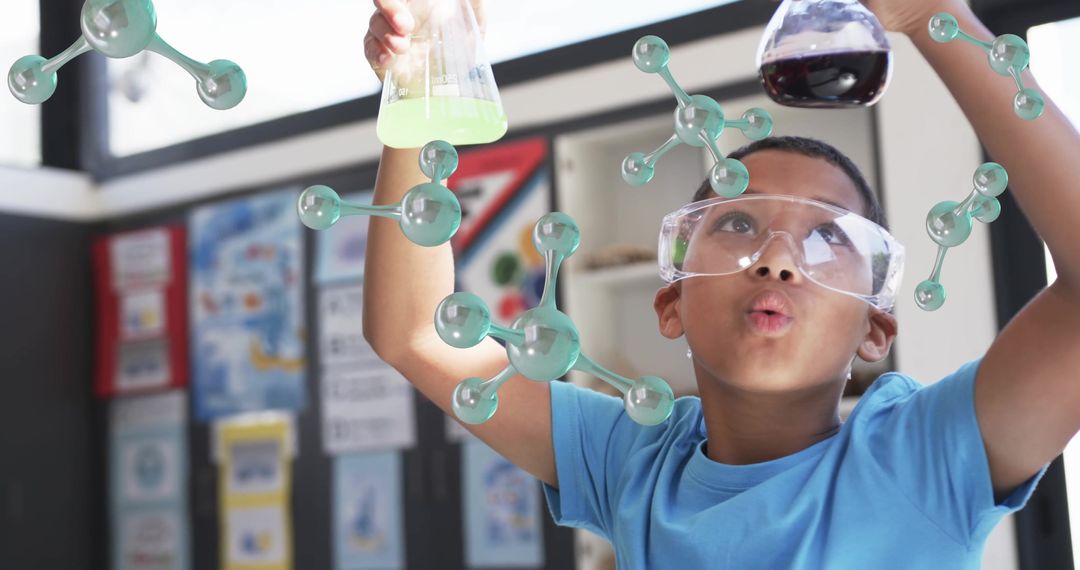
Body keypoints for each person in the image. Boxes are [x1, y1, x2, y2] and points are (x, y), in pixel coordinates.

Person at [361, 0, 1080, 566]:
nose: (777, 258)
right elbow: (419, 332)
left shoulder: (925, 459)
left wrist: (932, 16)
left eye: (829, 234)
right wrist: (422, 83)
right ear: (672, 302)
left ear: (875, 329)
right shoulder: (633, 460)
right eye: (737, 224)